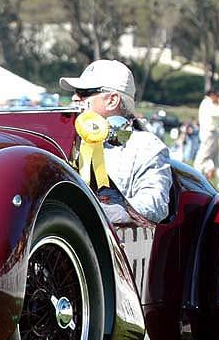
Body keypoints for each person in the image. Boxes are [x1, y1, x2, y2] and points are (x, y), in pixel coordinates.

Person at [60, 59, 171, 223]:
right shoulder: (65, 140)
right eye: (76, 92)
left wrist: (101, 211)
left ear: (112, 100)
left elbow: (155, 206)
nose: (75, 97)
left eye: (85, 92)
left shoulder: (145, 146)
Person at [193, 88, 219, 175]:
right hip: (209, 133)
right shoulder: (207, 103)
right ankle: (197, 173)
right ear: (212, 95)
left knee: (215, 156)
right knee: (204, 155)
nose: (218, 98)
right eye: (217, 96)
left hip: (212, 133)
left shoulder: (208, 103)